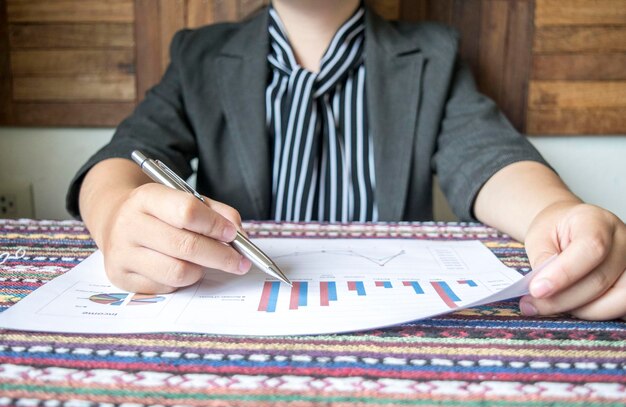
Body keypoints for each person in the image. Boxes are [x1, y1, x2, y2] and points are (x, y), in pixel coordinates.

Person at [68, 0, 625, 320]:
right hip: (243, 321)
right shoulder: (200, 56)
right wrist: (117, 211)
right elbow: (125, 156)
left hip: (386, 325)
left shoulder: (433, 54)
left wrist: (554, 212)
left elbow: (486, 155)